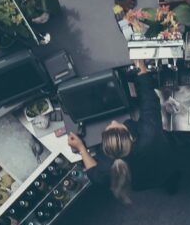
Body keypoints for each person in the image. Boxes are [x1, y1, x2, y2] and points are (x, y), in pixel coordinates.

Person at [68, 60, 179, 205]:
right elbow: (149, 102)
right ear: (131, 138)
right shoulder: (149, 133)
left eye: (109, 128)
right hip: (165, 168)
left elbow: (94, 176)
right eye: (118, 126)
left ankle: (169, 186)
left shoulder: (108, 167)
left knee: (161, 179)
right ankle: (171, 187)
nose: (113, 122)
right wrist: (142, 69)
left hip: (140, 184)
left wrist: (82, 149)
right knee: (171, 177)